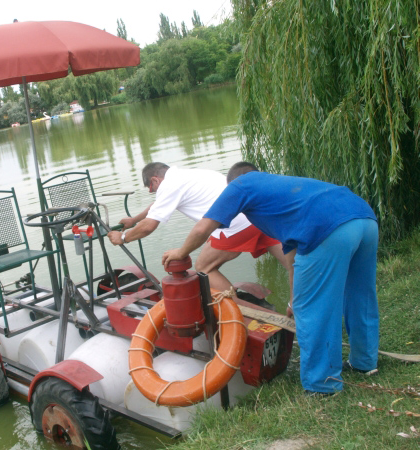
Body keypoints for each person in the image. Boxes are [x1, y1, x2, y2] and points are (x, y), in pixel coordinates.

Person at [162, 161, 379, 395]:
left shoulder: (241, 185)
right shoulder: (281, 190)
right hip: (364, 218)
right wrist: (293, 302)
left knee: (315, 312)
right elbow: (294, 258)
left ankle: (322, 386)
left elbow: (202, 229)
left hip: (327, 230)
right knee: (360, 296)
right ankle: (364, 362)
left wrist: (180, 253)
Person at [107, 162, 293, 292]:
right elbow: (155, 207)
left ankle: (237, 313)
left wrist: (123, 237)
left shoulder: (170, 185)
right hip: (256, 217)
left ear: (155, 180)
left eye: (150, 187)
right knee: (294, 267)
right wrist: (134, 220)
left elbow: (149, 227)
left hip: (234, 226)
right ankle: (302, 302)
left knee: (203, 267)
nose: (150, 191)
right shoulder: (190, 175)